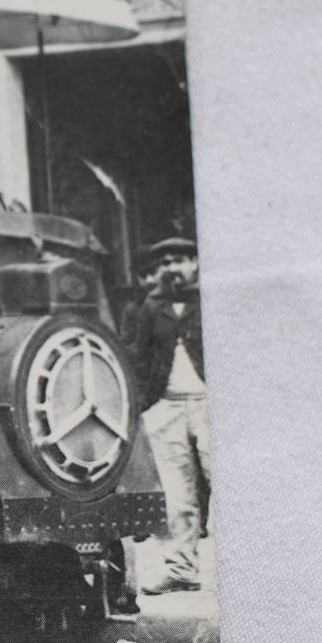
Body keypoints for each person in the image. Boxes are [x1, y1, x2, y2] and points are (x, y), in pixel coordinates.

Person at [129, 237, 210, 594]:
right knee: (176, 493)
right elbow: (141, 357)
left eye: (180, 260)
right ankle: (181, 568)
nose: (173, 268)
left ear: (195, 262)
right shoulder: (152, 305)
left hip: (212, 403)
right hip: (167, 406)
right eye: (166, 263)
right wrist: (146, 403)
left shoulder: (212, 296)